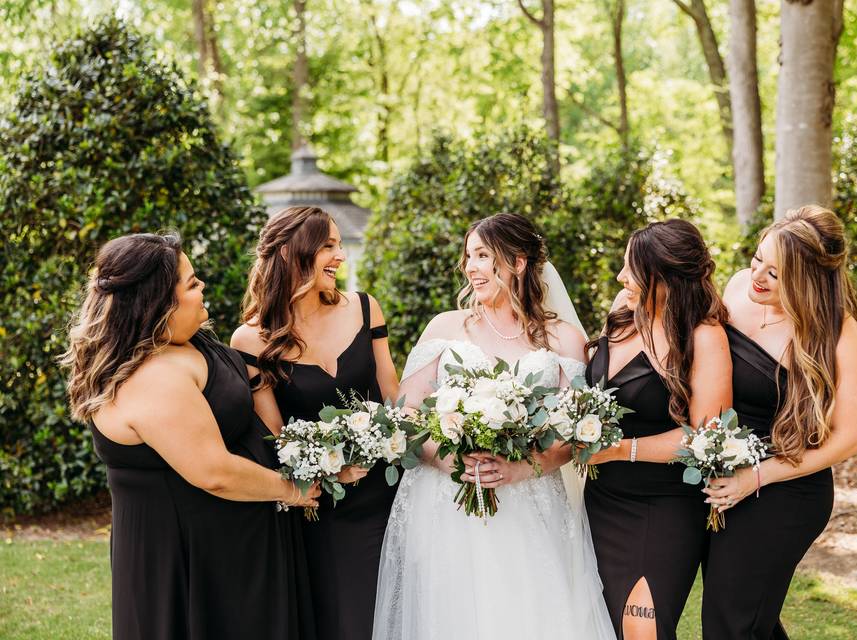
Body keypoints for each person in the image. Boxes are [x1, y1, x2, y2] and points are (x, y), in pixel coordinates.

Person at [62, 232, 319, 640]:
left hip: (232, 545)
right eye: (192, 284)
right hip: (189, 561)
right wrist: (292, 489)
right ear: (158, 301)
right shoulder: (152, 377)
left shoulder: (185, 343)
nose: (203, 290)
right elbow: (213, 471)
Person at [372, 212, 616, 640]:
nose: (470, 267)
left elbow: (577, 427)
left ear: (517, 263)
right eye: (468, 256)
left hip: (530, 502)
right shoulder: (446, 327)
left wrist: (523, 468)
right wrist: (446, 459)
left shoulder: (562, 339)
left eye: (483, 256)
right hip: (445, 504)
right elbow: (404, 415)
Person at [701, 205, 857, 639]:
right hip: (725, 477)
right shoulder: (739, 287)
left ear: (808, 278)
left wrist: (756, 477)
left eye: (776, 273)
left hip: (787, 487)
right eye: (758, 259)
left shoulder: (836, 332)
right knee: (748, 616)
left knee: (731, 621)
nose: (758, 275)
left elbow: (848, 438)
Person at [231, 206, 400, 640]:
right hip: (323, 507)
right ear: (290, 253)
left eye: (340, 244)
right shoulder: (251, 339)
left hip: (391, 497)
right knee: (345, 622)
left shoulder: (365, 308)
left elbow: (393, 399)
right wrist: (331, 470)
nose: (340, 255)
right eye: (328, 246)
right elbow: (277, 438)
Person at [583, 219, 732, 640]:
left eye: (632, 269)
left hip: (661, 506)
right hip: (600, 499)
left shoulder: (703, 337)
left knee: (641, 630)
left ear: (665, 277)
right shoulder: (623, 311)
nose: (621, 277)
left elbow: (704, 438)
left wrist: (619, 449)